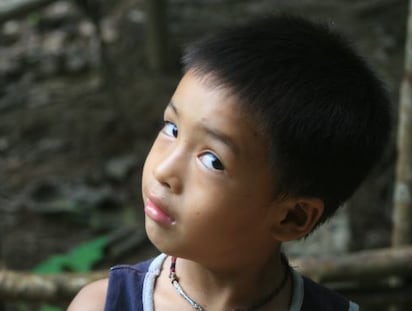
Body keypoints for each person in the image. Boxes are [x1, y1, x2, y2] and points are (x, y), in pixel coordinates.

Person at [68, 13, 391, 311]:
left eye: (212, 161)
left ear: (292, 216)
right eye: (172, 128)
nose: (164, 171)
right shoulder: (103, 305)